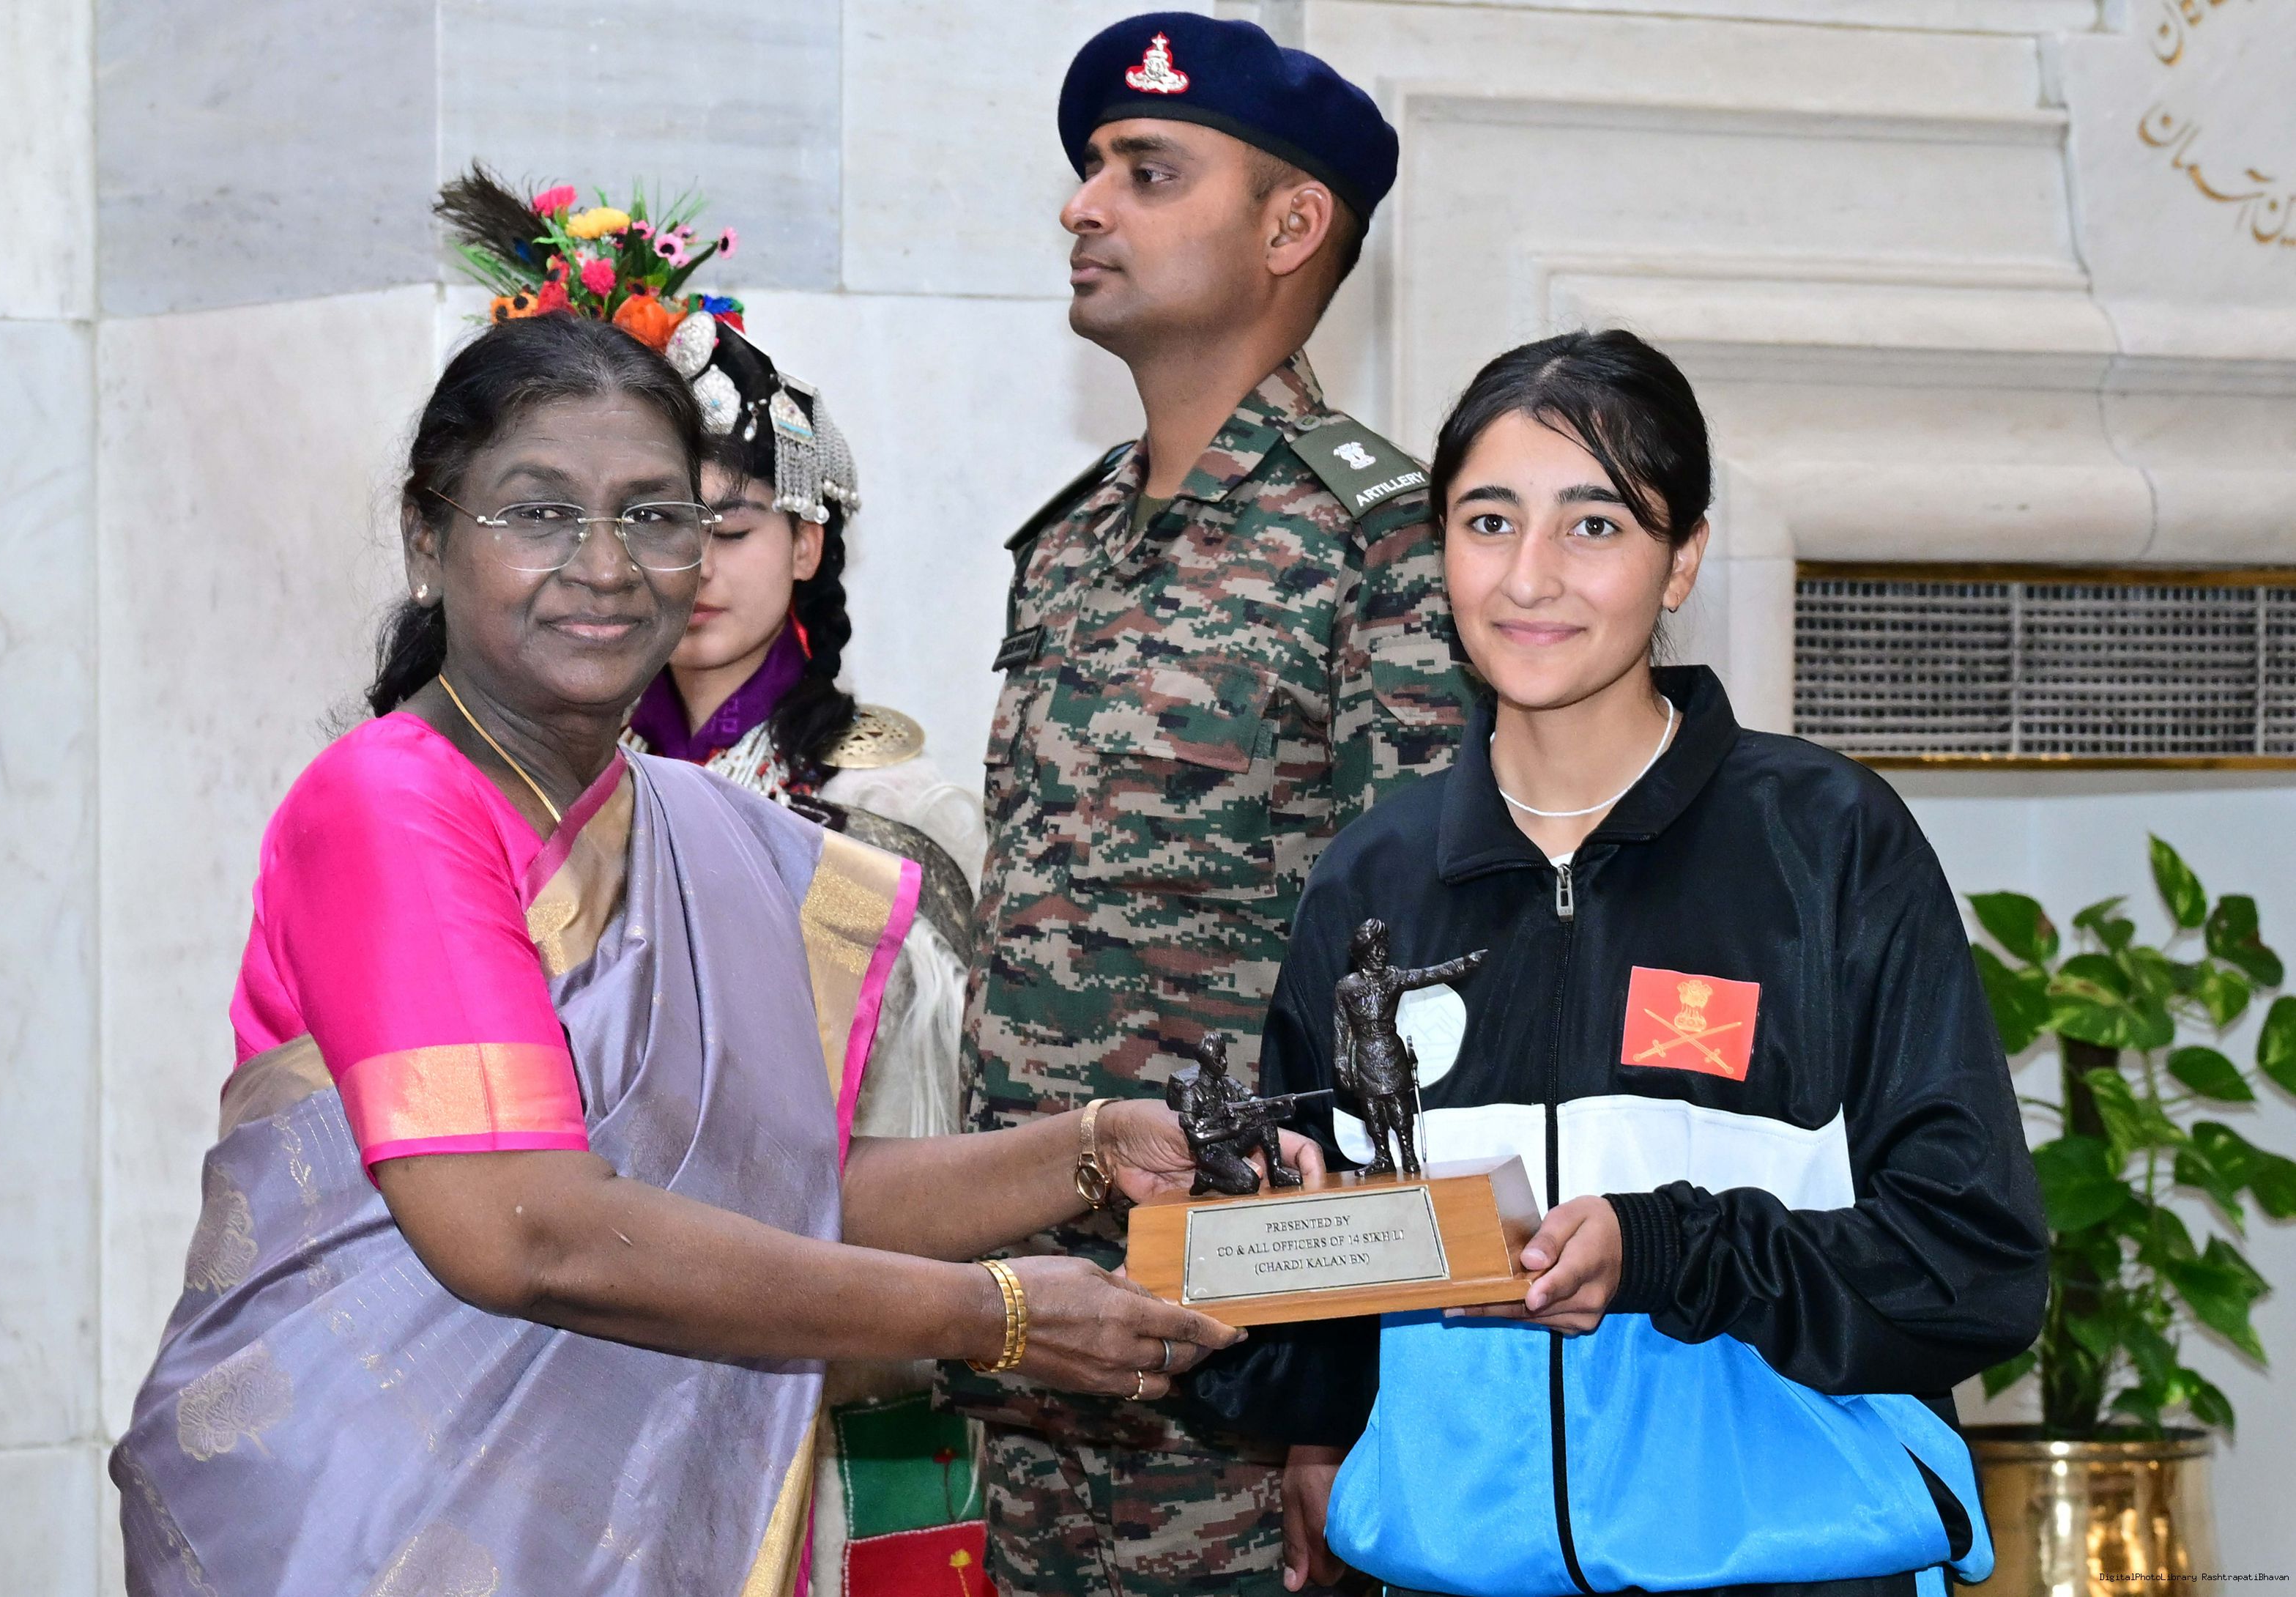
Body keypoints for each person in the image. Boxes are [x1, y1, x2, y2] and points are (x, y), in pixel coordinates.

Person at [111, 312, 1323, 1597]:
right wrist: (996, 1315)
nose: (603, 566)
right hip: (374, 1516)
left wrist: (1084, 1150)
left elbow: (763, 1187)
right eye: (537, 513)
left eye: (653, 516)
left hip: (594, 1514)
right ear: (427, 536)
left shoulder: (685, 826)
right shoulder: (393, 805)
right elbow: (522, 1233)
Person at [1236, 329, 2048, 1596]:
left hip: (1795, 1566)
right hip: (1459, 1575)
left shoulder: (1824, 842)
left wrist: (1660, 1251)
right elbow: (1315, 1340)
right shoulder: (1371, 881)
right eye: (1488, 521)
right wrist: (1248, 1239)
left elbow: (1972, 1266)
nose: (1530, 576)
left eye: (1595, 525)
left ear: (1683, 561)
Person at [949, 12, 1470, 1594]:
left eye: (1147, 171)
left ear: (1292, 226)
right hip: (1033, 1332)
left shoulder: (1386, 542)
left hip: (1240, 1364)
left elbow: (1406, 998)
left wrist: (1335, 1400)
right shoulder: (1069, 541)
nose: (1083, 206)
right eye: (1090, 168)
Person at [632, 303, 996, 1583]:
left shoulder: (898, 809)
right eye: (660, 527)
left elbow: (942, 1103)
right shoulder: (566, 795)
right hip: (615, 1330)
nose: (696, 567)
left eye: (731, 529)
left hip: (851, 1341)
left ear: (806, 540)